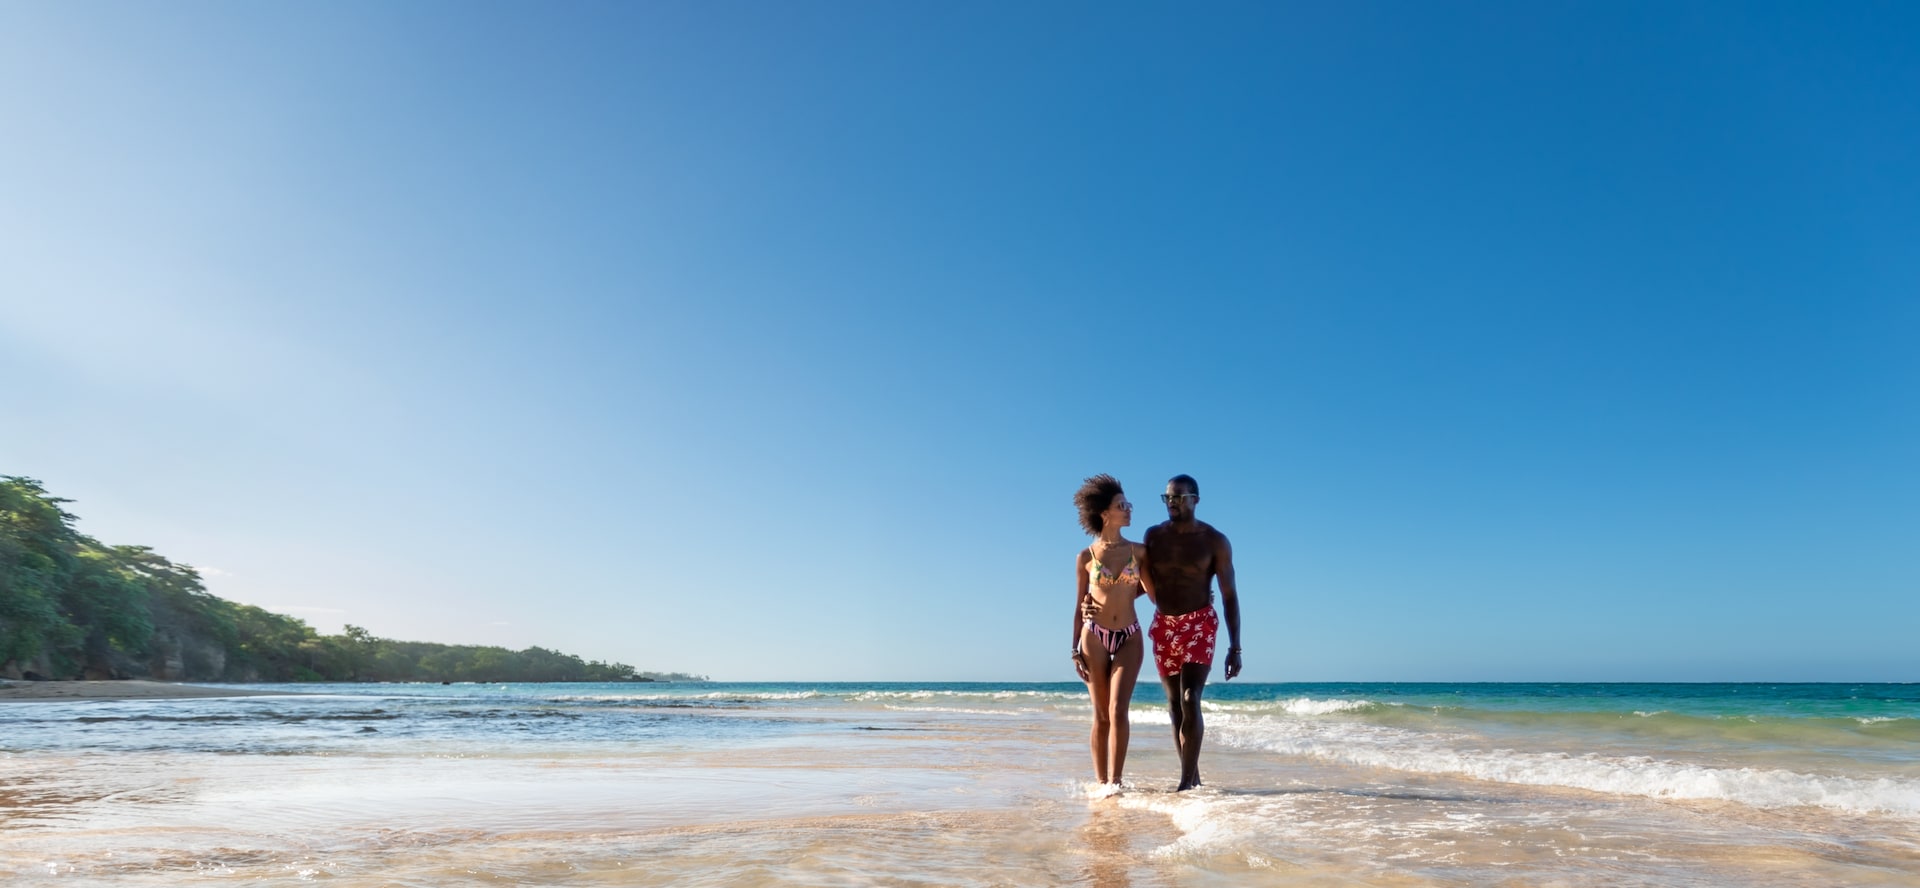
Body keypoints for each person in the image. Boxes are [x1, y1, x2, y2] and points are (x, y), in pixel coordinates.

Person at [1142, 474, 1240, 791]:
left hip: (1199, 624)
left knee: (1190, 697)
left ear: (1196, 499)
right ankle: (1193, 776)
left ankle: (1185, 783)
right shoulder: (1154, 536)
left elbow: (1229, 595)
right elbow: (1143, 582)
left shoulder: (1214, 541)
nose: (1172, 502)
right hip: (1164, 625)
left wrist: (1235, 647)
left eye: (1179, 497)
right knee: (1173, 706)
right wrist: (1100, 600)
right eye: (1168, 497)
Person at [1070, 474, 1155, 789]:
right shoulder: (1086, 558)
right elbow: (1079, 605)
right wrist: (1073, 648)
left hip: (1129, 636)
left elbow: (1155, 592)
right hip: (1093, 637)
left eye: (1128, 504)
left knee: (1119, 710)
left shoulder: (1141, 552)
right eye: (1122, 505)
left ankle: (1114, 786)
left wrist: (1196, 594)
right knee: (1101, 715)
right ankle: (1100, 782)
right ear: (1105, 514)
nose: (1129, 509)